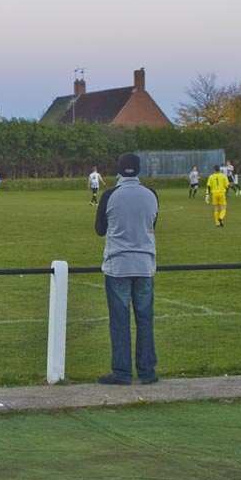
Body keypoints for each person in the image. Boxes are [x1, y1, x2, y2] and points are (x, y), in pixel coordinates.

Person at [94, 152, 159, 385]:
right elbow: (152, 223)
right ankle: (147, 372)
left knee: (119, 321)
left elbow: (99, 229)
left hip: (118, 265)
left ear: (119, 169)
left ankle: (122, 372)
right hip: (144, 265)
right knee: (145, 320)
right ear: (139, 170)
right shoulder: (151, 195)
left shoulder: (110, 196)